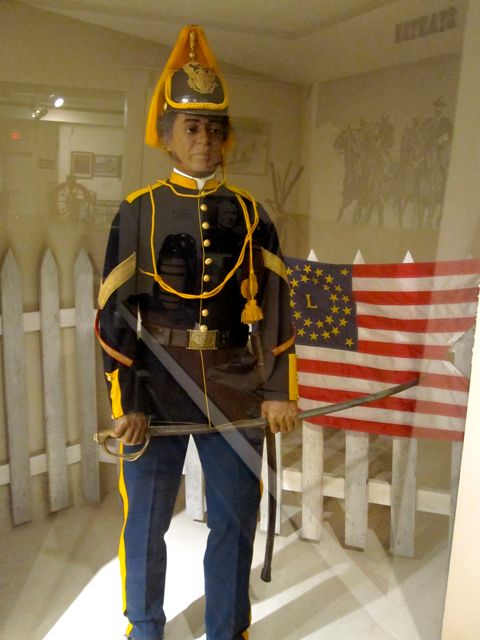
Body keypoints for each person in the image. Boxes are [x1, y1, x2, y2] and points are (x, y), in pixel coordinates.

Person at [96, 25, 298, 640]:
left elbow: (276, 305)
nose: (204, 139)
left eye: (214, 127)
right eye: (191, 126)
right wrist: (126, 402)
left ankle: (226, 629)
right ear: (168, 135)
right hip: (157, 387)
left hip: (237, 386)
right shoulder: (139, 210)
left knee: (236, 518)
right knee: (147, 519)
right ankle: (145, 628)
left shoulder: (252, 214)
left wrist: (278, 388)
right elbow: (115, 315)